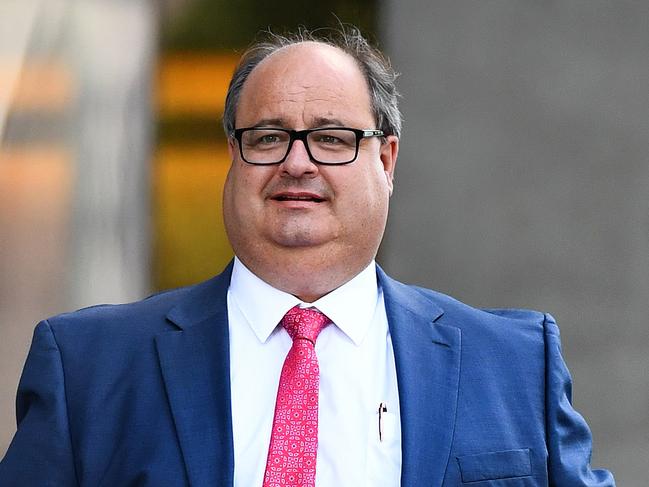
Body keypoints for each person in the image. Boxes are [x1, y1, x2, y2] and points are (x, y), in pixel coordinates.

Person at [0, 26, 614, 487]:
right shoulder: (87, 369)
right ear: (233, 160)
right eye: (267, 137)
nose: (298, 162)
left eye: (331, 138)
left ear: (386, 159)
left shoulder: (512, 366)